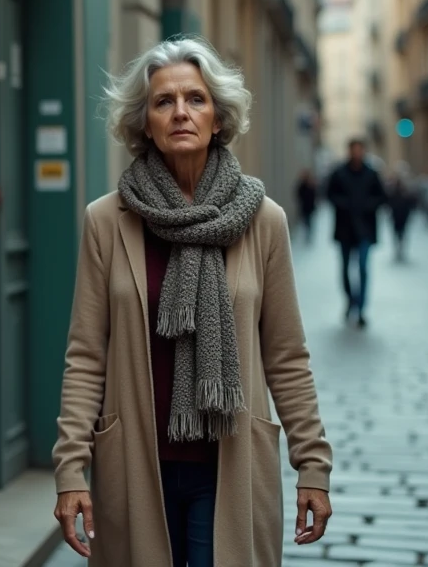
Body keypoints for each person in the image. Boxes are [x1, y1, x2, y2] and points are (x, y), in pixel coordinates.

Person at [52, 39, 332, 566]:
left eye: (196, 99)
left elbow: (287, 357)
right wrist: (70, 468)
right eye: (163, 102)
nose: (181, 112)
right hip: (136, 462)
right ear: (144, 124)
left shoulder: (263, 220)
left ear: (219, 118)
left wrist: (312, 465)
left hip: (230, 462)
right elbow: (86, 356)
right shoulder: (106, 221)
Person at [326, 138, 387, 328]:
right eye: (354, 150)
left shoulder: (372, 174)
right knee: (344, 269)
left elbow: (382, 197)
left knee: (362, 267)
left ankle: (360, 309)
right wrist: (344, 205)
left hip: (365, 230)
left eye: (360, 150)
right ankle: (350, 300)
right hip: (345, 229)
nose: (357, 153)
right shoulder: (339, 173)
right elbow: (329, 194)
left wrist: (367, 206)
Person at [386, 175, 417, 262]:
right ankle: (398, 249)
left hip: (403, 216)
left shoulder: (406, 194)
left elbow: (412, 203)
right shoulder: (394, 193)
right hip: (397, 216)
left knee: (401, 233)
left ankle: (400, 248)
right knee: (398, 233)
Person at [296, 169, 318, 242]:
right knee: (305, 221)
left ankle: (309, 234)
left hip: (310, 207)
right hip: (304, 207)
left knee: (309, 221)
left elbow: (314, 196)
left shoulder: (311, 185)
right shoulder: (302, 186)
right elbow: (298, 194)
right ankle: (307, 233)